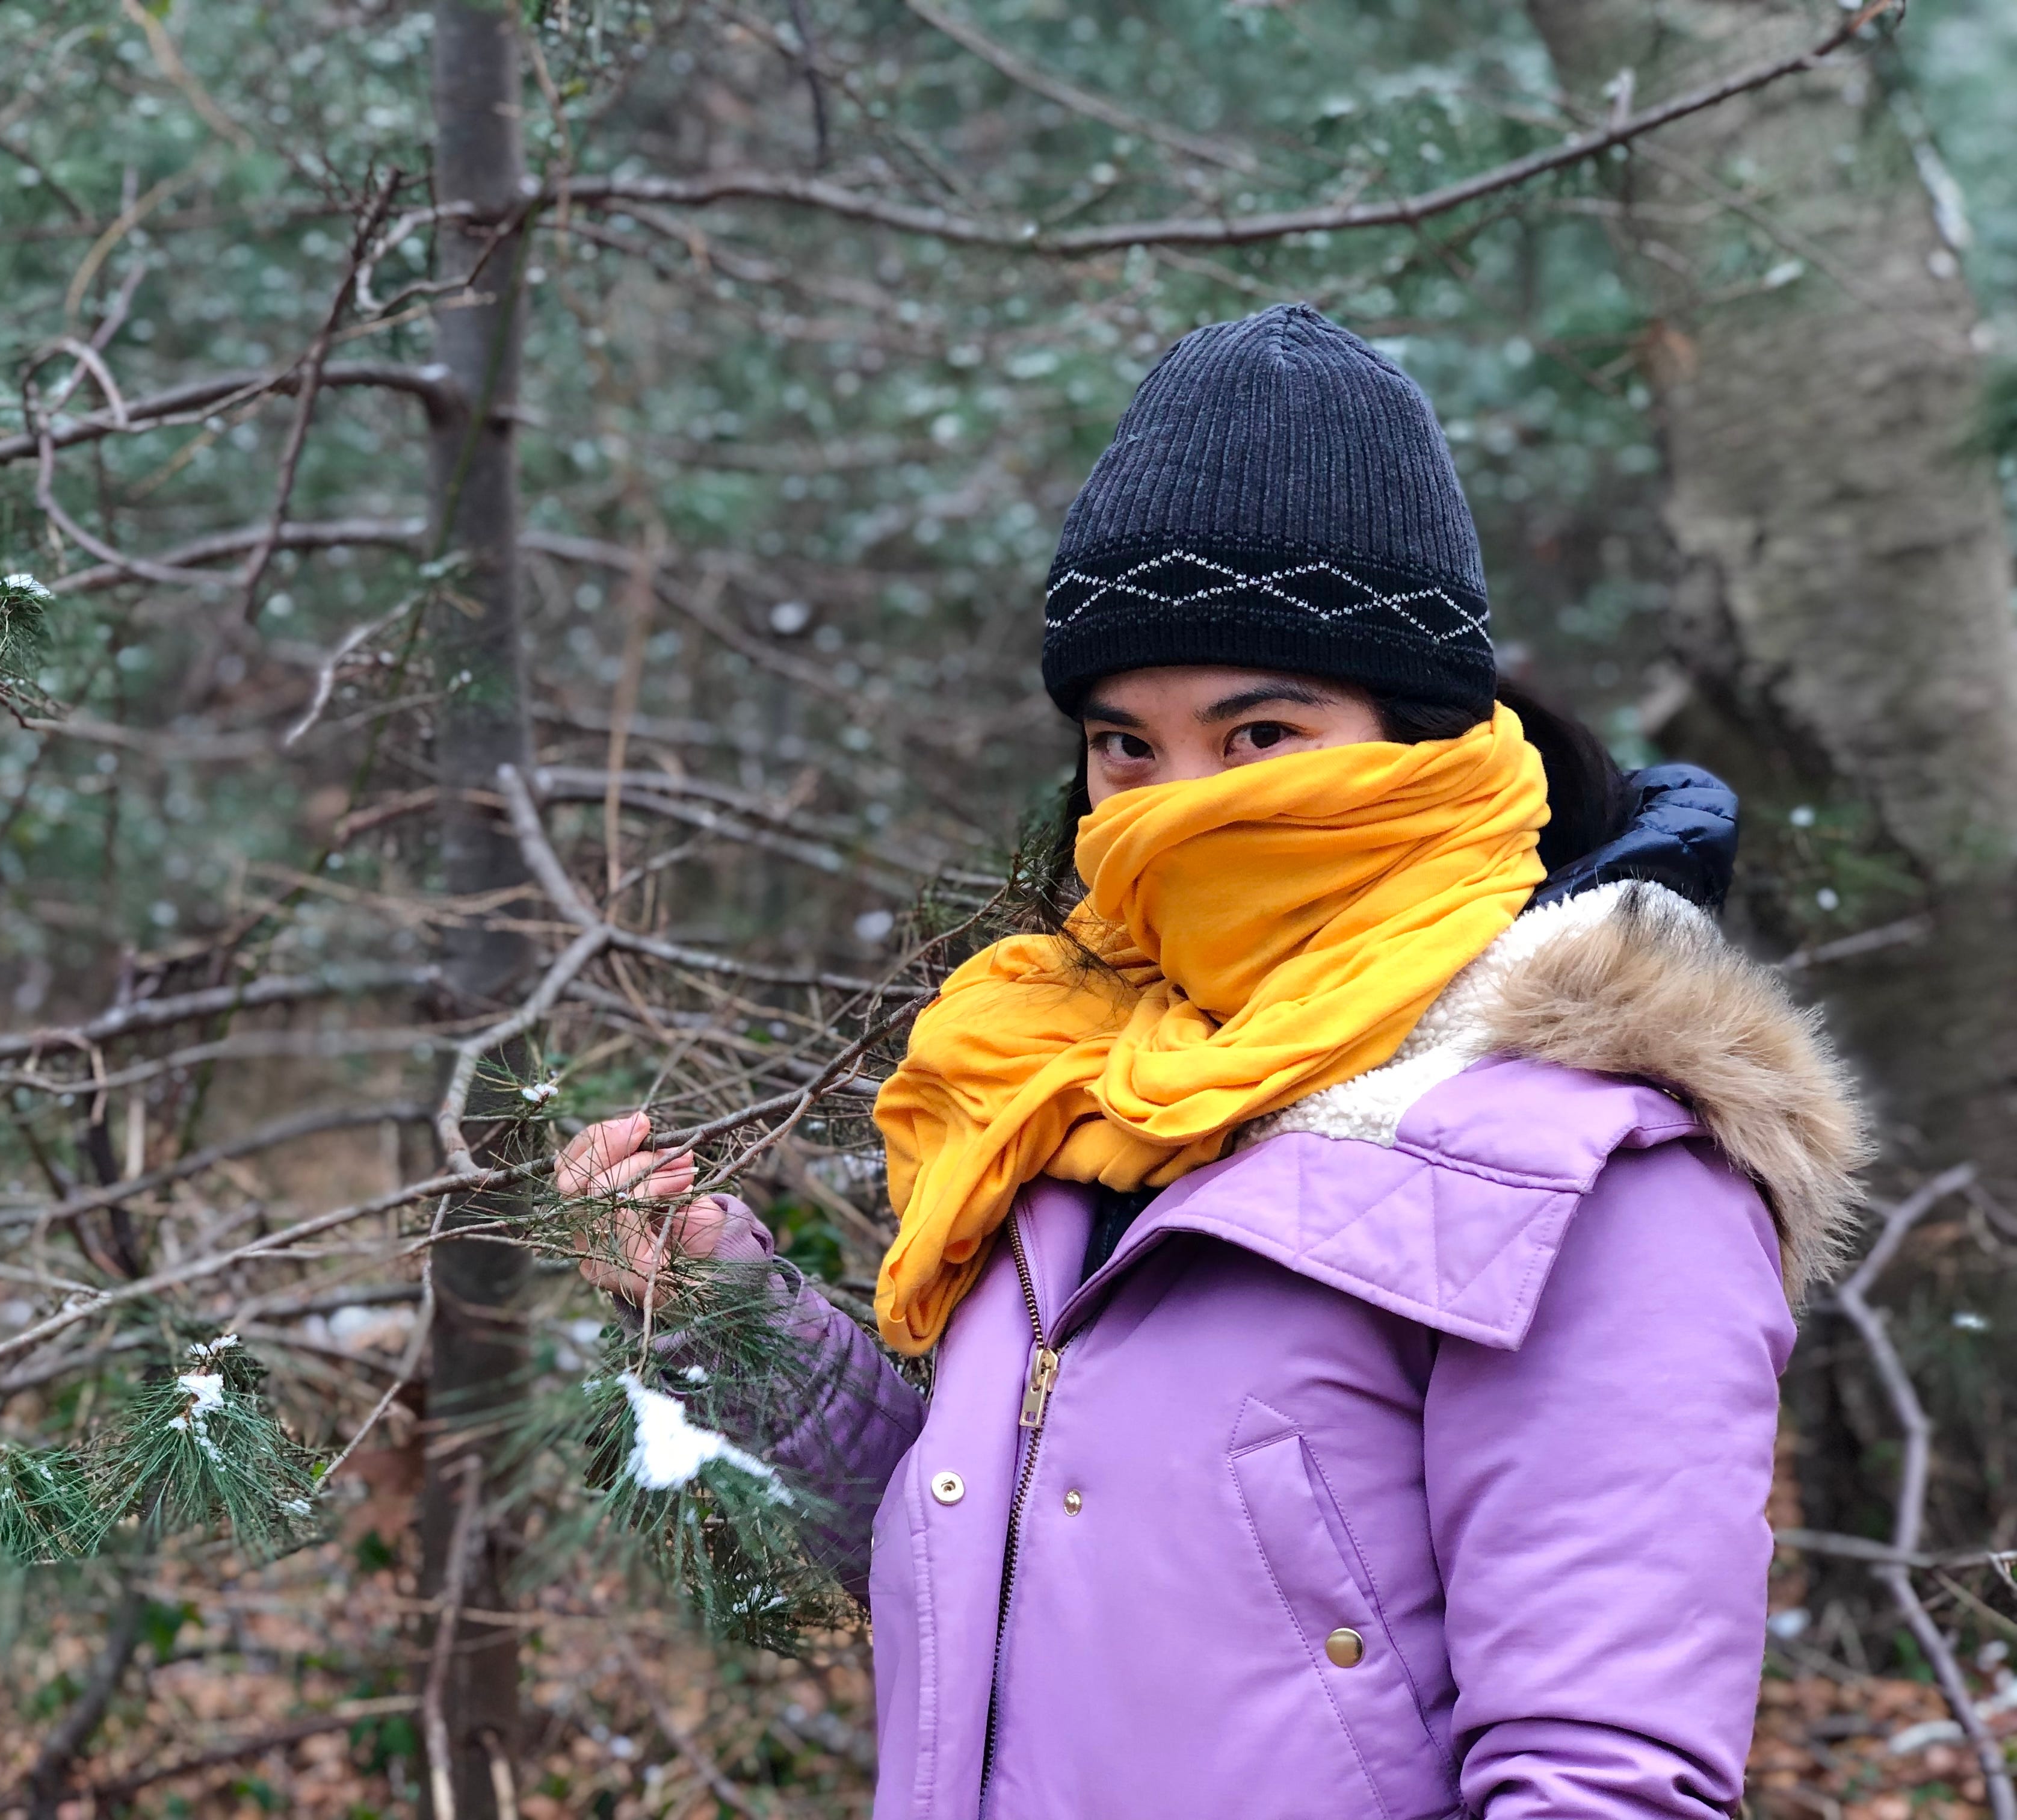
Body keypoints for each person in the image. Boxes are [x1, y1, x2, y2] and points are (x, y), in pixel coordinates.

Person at [557, 304, 1867, 1819]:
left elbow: (1599, 1781)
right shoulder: (1077, 1098)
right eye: (1127, 744)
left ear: (1420, 735)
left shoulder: (1592, 1168)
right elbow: (1019, 1582)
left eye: (1257, 736)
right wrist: (726, 1313)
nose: (1177, 807)